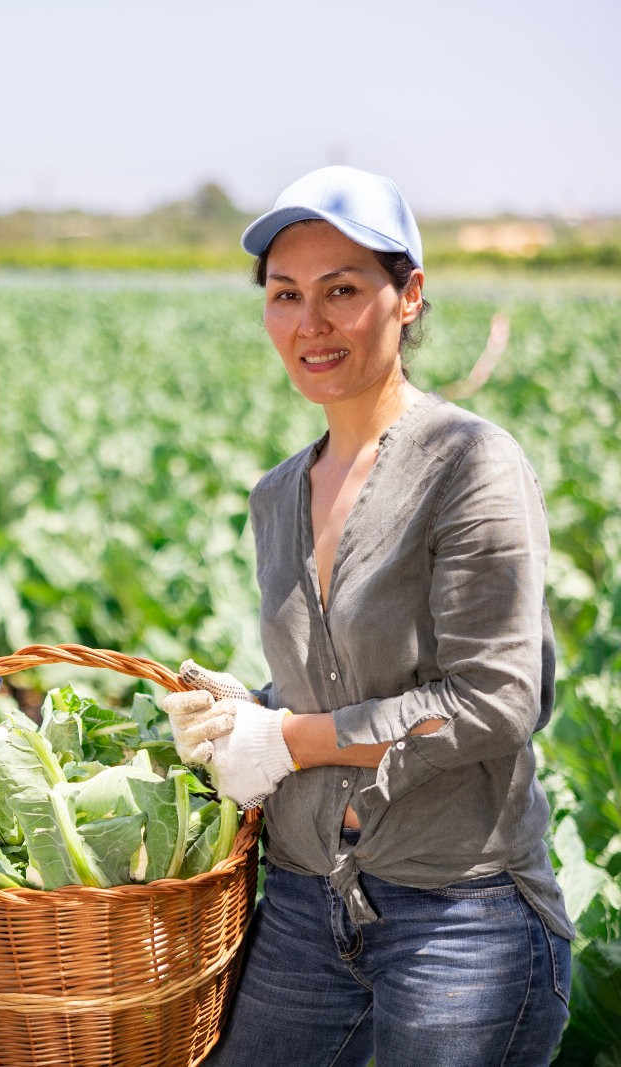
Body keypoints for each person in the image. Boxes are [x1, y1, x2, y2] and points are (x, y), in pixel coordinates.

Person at [162, 165, 572, 1065]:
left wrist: (291, 738)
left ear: (409, 296)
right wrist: (252, 708)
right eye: (286, 294)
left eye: (342, 291)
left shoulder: (470, 466)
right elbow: (339, 681)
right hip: (309, 908)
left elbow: (497, 701)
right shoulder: (277, 496)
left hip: (462, 917)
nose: (310, 323)